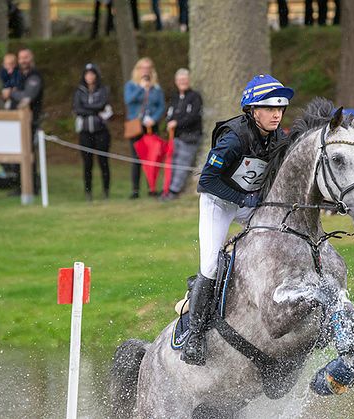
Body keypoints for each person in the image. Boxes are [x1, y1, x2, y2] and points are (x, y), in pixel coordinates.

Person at [181, 74, 294, 366]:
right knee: (210, 264)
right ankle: (194, 335)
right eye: (270, 108)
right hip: (218, 202)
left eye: (280, 108)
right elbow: (206, 180)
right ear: (253, 110)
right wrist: (243, 199)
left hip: (248, 202)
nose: (276, 114)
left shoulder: (279, 138)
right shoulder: (234, 139)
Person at [3, 48, 44, 194]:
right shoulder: (17, 75)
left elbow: (28, 96)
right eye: (21, 58)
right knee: (17, 153)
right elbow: (5, 93)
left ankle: (32, 185)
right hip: (15, 121)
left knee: (28, 154)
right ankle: (19, 186)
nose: (23, 61)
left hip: (30, 122)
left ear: (31, 58)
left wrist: (13, 93)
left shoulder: (35, 76)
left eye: (26, 57)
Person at [124, 57, 165, 199]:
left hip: (151, 125)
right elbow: (128, 100)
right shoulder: (131, 85)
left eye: (148, 68)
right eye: (143, 67)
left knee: (151, 157)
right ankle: (135, 190)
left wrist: (153, 118)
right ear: (138, 69)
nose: (145, 70)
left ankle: (152, 188)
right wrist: (141, 88)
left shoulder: (156, 87)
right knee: (136, 157)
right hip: (136, 125)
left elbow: (161, 106)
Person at [73, 63, 112, 201]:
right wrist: (94, 110)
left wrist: (87, 108)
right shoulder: (79, 91)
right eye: (87, 74)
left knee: (103, 162)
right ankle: (88, 192)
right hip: (85, 132)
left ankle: (106, 191)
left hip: (100, 132)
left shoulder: (103, 90)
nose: (89, 76)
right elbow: (78, 109)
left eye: (92, 73)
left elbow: (103, 105)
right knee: (87, 163)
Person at [163, 68, 202, 200]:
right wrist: (170, 122)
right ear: (176, 82)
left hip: (190, 137)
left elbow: (193, 116)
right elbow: (170, 113)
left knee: (182, 164)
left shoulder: (195, 97)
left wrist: (177, 123)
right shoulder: (174, 97)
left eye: (185, 80)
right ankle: (167, 189)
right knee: (172, 163)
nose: (183, 82)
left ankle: (174, 191)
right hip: (176, 137)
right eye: (180, 80)